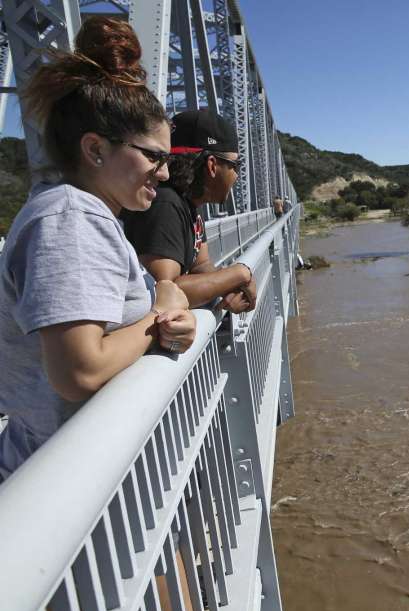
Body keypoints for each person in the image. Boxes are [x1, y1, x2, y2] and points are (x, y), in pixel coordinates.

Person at [0, 17, 196, 481]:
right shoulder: (70, 218)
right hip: (66, 486)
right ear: (95, 150)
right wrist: (159, 313)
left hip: (80, 471)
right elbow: (80, 372)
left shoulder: (80, 215)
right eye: (154, 156)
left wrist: (169, 322)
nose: (165, 174)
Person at [123, 109, 256, 313]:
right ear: (212, 165)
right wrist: (240, 273)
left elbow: (202, 265)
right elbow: (165, 292)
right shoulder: (166, 204)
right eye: (235, 166)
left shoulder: (189, 203)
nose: (237, 176)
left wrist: (230, 286)